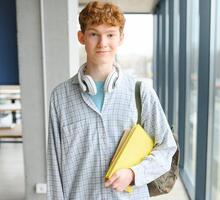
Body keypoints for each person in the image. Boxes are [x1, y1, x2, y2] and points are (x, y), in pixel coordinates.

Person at [47, 1, 177, 199]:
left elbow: (166, 149)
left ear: (121, 38)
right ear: (81, 37)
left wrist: (134, 173)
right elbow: (54, 168)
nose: (102, 43)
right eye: (93, 34)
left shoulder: (141, 93)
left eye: (110, 34)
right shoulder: (61, 97)